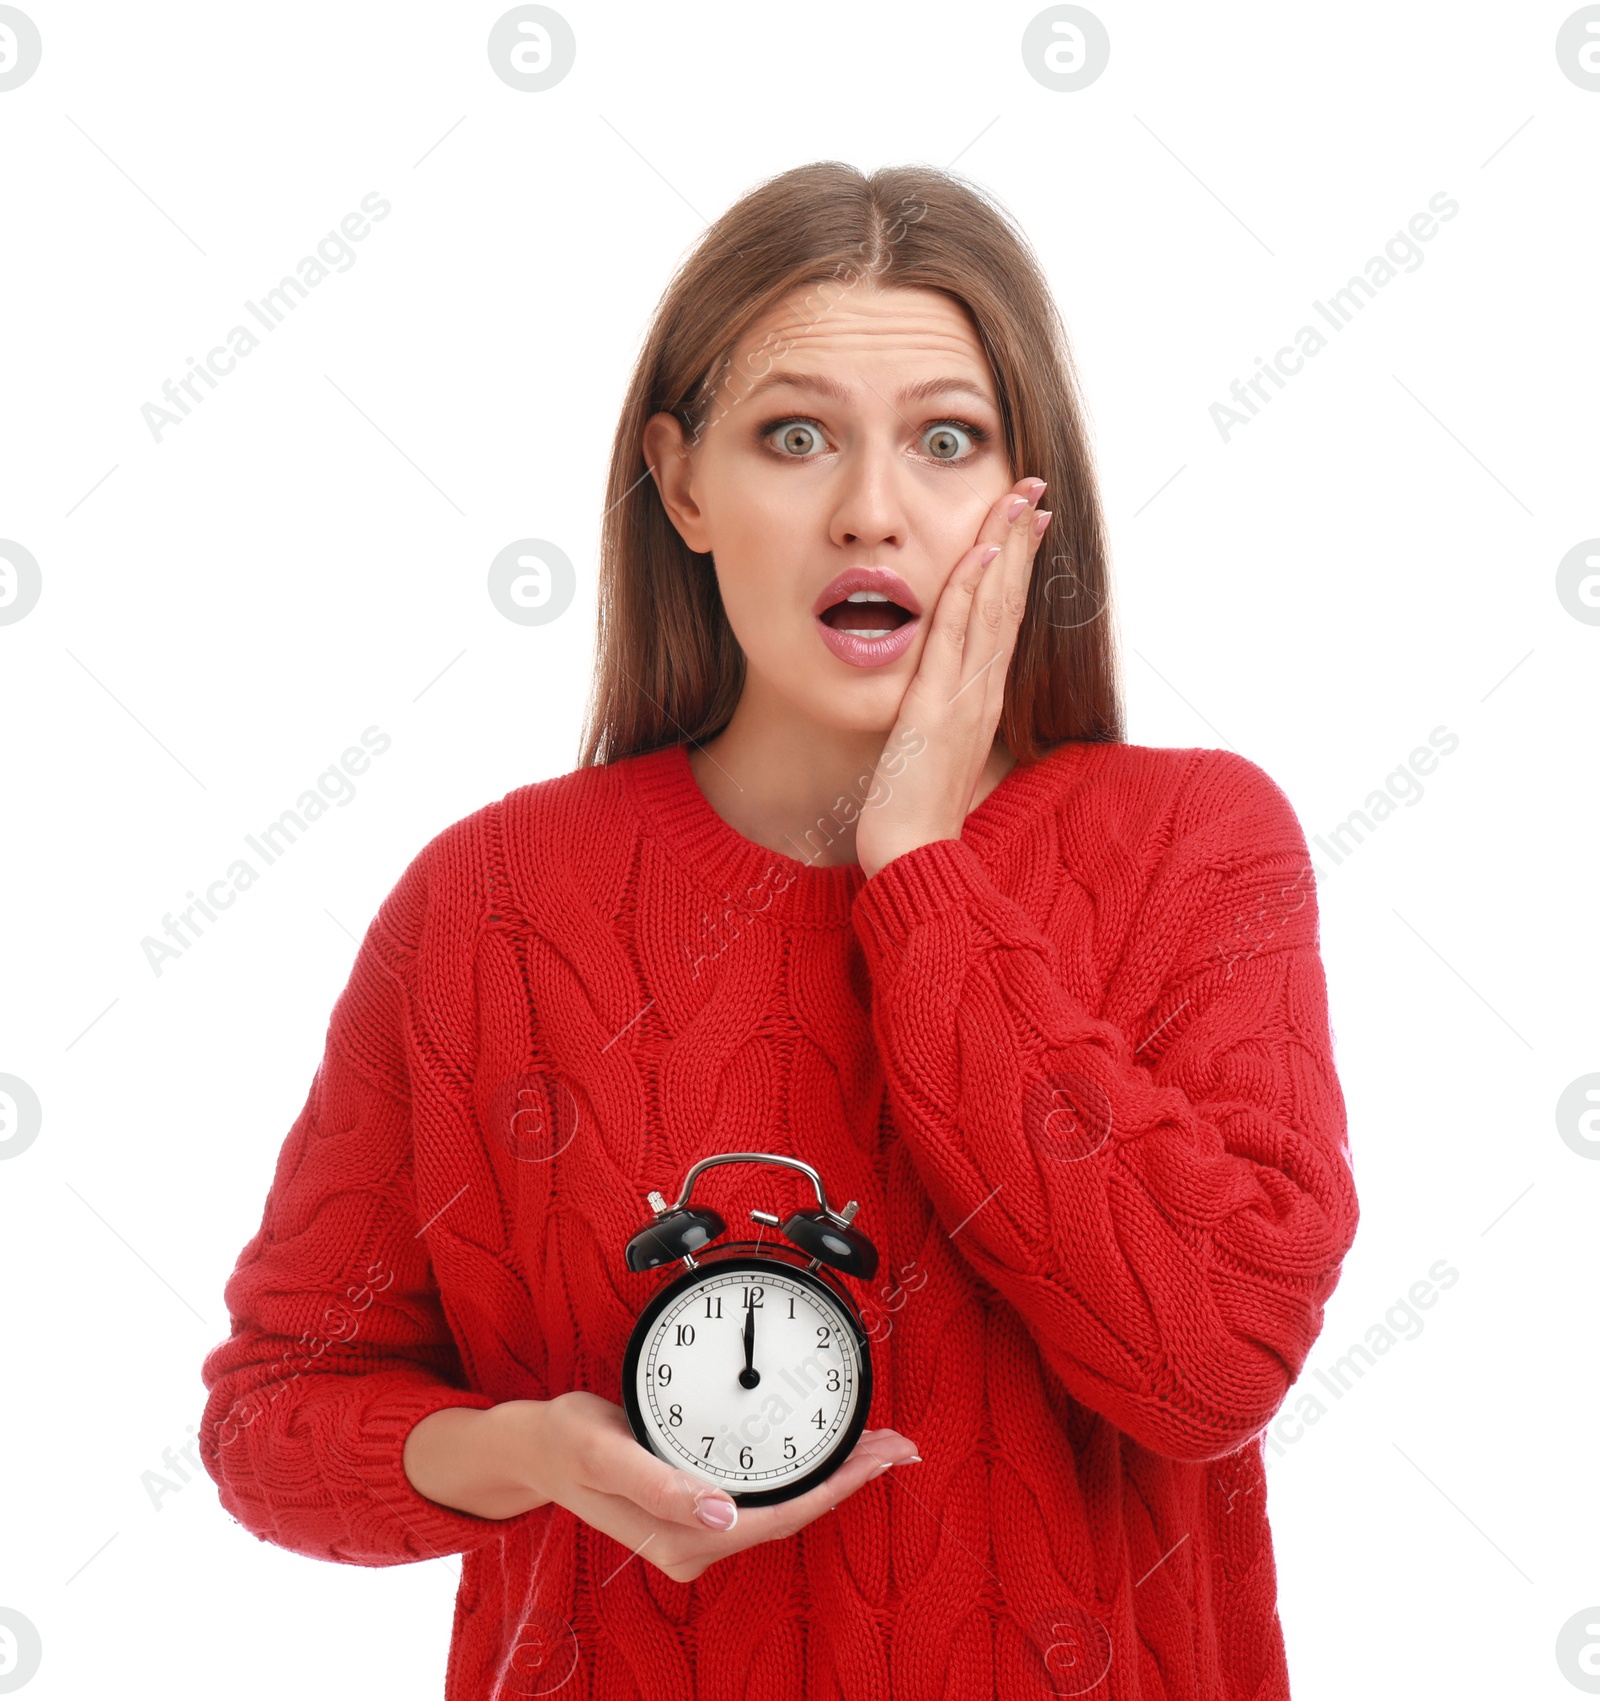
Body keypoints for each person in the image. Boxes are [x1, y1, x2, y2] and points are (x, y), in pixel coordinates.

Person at [200, 160, 1360, 1700]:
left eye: (947, 441)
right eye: (793, 436)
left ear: (1032, 502)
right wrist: (520, 1453)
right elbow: (274, 1410)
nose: (870, 508)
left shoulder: (1193, 844)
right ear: (682, 483)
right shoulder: (489, 905)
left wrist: (920, 869)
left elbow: (1213, 1358)